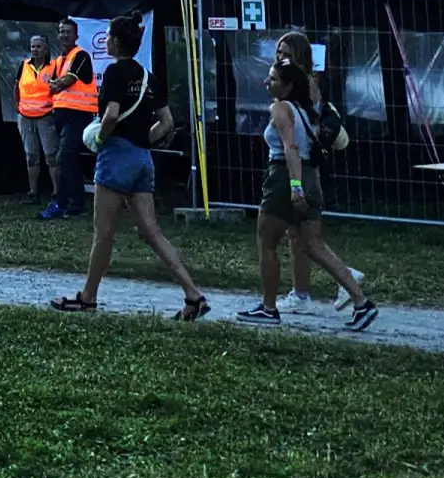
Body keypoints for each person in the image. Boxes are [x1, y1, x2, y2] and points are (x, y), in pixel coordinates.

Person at [52, 40, 209, 320]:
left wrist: (101, 138)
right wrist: (140, 143)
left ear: (113, 41)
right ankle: (193, 294)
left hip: (116, 156)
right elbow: (167, 122)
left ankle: (87, 298)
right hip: (142, 158)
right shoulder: (148, 76)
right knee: (151, 231)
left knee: (103, 232)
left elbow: (111, 114)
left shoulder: (114, 73)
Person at [240, 51, 375, 332]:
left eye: (273, 78)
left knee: (267, 243)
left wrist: (294, 188)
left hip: (284, 178)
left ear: (287, 86)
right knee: (315, 245)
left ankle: (268, 308)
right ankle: (361, 302)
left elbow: (290, 147)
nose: (267, 82)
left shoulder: (281, 108)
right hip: (312, 178)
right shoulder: (307, 110)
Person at [41, 19, 98, 221]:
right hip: (61, 116)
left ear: (76, 36)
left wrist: (57, 85)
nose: (64, 35)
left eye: (68, 32)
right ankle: (76, 204)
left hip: (78, 115)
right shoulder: (59, 60)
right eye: (61, 32)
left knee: (64, 158)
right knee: (69, 160)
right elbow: (52, 85)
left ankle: (63, 202)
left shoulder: (80, 55)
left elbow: (65, 81)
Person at [13, 33, 57, 205]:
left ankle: (56, 193)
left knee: (51, 156)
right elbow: (16, 86)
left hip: (46, 116)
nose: (35, 50)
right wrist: (17, 106)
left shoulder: (54, 66)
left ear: (46, 48)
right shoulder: (24, 65)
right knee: (31, 156)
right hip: (25, 116)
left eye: (39, 46)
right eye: (33, 46)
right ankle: (33, 193)